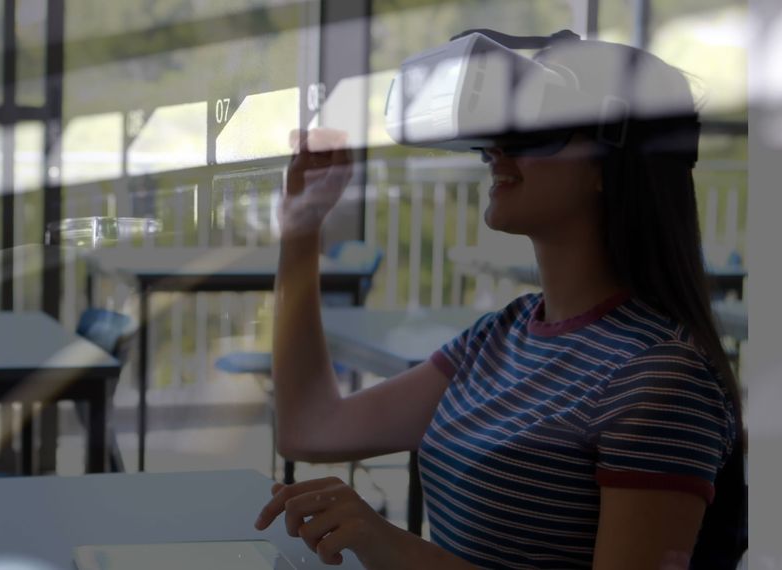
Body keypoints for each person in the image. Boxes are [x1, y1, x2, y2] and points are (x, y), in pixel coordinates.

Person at [253, 39, 746, 569]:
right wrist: (301, 228)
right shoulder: (504, 334)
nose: (494, 150)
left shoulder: (661, 377)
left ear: (608, 165)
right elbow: (311, 427)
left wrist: (389, 544)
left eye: (530, 127)